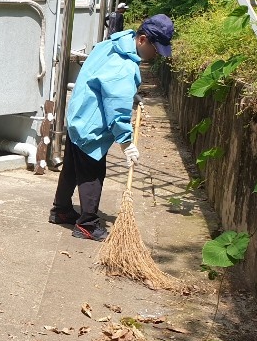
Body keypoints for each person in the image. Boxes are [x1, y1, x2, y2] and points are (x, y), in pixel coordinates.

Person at [50, 14, 174, 241]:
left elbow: (103, 81)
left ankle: (61, 210)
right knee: (92, 173)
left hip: (79, 117)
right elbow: (117, 109)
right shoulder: (124, 66)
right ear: (142, 40)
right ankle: (87, 225)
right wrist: (126, 143)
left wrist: (131, 93)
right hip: (92, 127)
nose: (156, 55)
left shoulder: (111, 44)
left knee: (71, 169)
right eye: (155, 49)